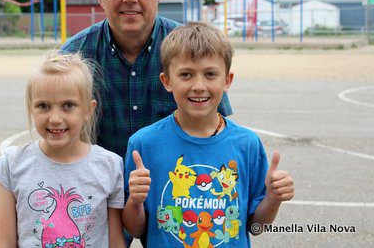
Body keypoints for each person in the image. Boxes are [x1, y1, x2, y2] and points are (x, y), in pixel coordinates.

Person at [122, 22, 295, 247]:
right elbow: (135, 229)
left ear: (227, 81)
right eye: (186, 75)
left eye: (210, 74)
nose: (199, 86)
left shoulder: (247, 144)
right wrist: (135, 201)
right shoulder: (143, 144)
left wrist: (273, 198)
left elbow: (256, 227)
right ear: (167, 81)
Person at [61, 0, 232, 159]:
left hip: (177, 186)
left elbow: (220, 131)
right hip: (99, 190)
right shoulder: (73, 56)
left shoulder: (194, 49)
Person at [0, 51, 125, 248]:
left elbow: (115, 242)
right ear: (30, 108)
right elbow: (5, 242)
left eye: (68, 105)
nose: (55, 118)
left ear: (88, 109)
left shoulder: (109, 166)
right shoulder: (12, 165)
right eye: (43, 106)